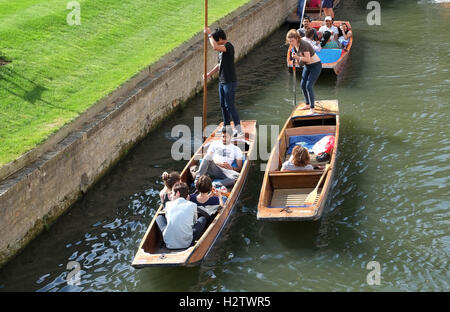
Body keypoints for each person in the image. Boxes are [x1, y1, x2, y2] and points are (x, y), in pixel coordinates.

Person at [204, 27, 243, 138]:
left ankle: (239, 130)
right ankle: (227, 128)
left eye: (217, 40)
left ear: (221, 39)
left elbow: (214, 47)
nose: (216, 43)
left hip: (229, 81)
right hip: (222, 81)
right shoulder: (222, 50)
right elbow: (219, 65)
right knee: (223, 105)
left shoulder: (228, 46)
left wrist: (209, 35)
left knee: (229, 105)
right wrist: (209, 74)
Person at [156, 182, 207, 249]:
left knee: (159, 217)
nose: (171, 196)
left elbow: (168, 220)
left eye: (172, 193)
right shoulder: (193, 205)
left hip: (169, 244)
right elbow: (194, 223)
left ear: (178, 193)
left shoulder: (168, 204)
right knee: (203, 219)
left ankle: (163, 240)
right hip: (187, 244)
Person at [286, 29, 322, 115]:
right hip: (307, 66)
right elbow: (302, 63)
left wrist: (297, 57)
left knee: (309, 86)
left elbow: (308, 59)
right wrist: (295, 58)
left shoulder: (304, 45)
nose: (291, 43)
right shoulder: (295, 46)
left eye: (292, 41)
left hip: (315, 66)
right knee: (302, 85)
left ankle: (312, 108)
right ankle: (307, 104)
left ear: (297, 38)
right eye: (289, 41)